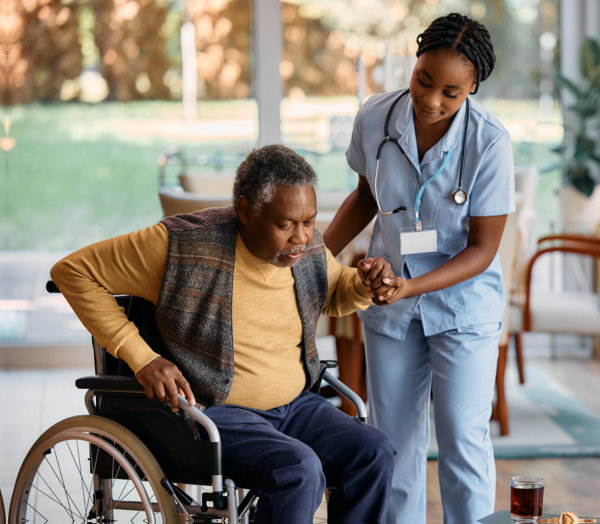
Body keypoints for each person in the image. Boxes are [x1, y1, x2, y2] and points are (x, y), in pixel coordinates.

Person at [51, 144, 395, 524]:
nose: (302, 238)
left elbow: (331, 292)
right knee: (297, 470)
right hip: (214, 414)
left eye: (309, 222)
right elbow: (72, 272)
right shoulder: (180, 245)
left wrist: (365, 284)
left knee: (373, 450)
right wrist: (143, 358)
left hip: (295, 405)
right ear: (246, 210)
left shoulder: (307, 246)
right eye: (285, 225)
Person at [323, 13, 515, 524]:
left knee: (461, 437)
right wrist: (313, 257)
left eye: (451, 92)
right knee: (394, 442)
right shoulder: (376, 118)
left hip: (463, 306)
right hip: (390, 306)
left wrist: (412, 286)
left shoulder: (490, 143)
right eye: (423, 81)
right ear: (414, 65)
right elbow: (364, 197)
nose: (431, 101)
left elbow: (482, 250)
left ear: (474, 87)